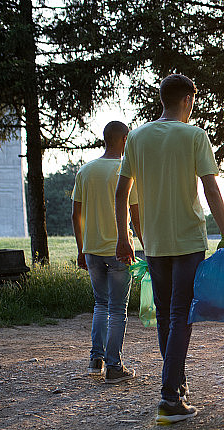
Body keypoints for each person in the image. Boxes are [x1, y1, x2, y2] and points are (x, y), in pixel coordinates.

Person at [114, 73, 224, 424]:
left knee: (167, 314)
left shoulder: (136, 137)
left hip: (154, 241)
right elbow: (211, 188)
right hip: (188, 240)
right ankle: (169, 396)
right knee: (181, 314)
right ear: (187, 100)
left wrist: (124, 236)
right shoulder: (194, 135)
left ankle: (176, 386)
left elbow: (122, 193)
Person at [71, 120, 143, 383]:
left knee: (100, 304)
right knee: (117, 309)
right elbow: (135, 216)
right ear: (124, 139)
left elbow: (75, 214)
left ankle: (95, 360)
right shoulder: (126, 173)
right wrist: (145, 246)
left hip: (92, 251)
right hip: (119, 250)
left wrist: (81, 249)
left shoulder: (85, 171)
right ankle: (114, 366)